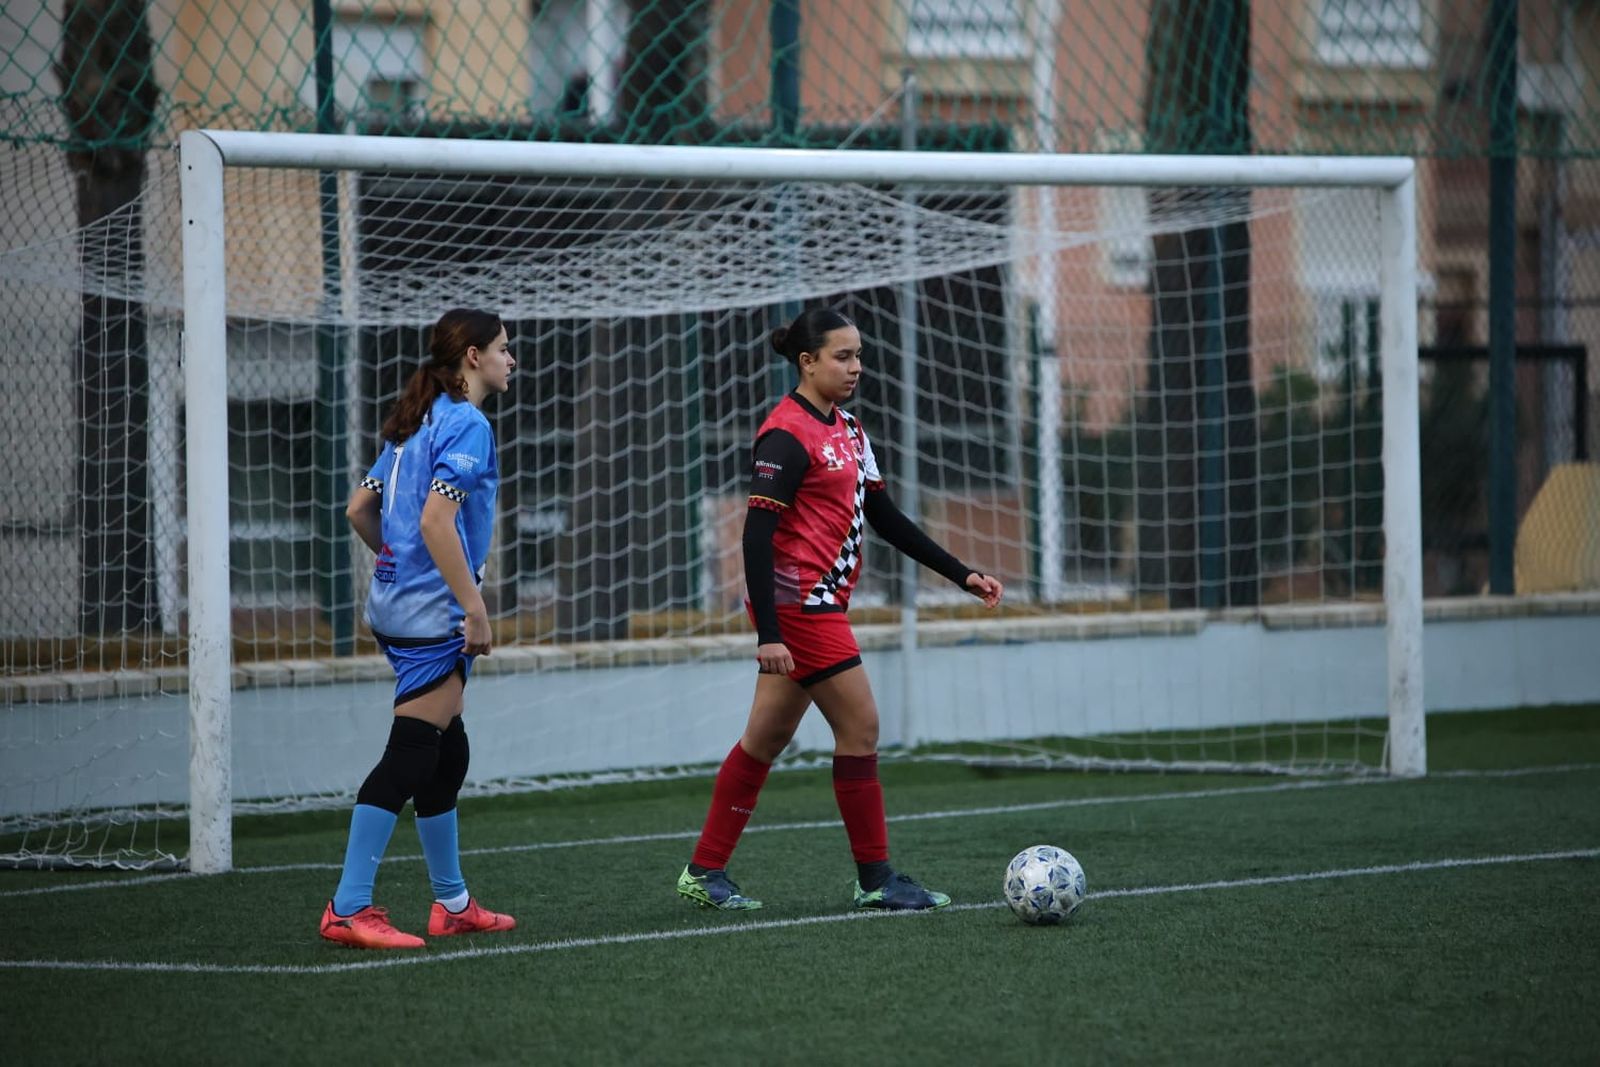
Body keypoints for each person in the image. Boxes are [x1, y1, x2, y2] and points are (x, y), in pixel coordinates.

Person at [676, 306, 1004, 913]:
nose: (855, 367)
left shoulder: (850, 430)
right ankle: (875, 879)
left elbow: (885, 517)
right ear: (807, 362)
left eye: (858, 356)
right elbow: (755, 537)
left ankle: (704, 871)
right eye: (842, 356)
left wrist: (962, 574)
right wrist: (769, 634)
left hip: (817, 604)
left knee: (765, 738)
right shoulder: (785, 434)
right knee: (861, 727)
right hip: (800, 606)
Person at [319, 307, 519, 950]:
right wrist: (473, 606)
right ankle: (348, 908)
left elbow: (359, 508)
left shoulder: (418, 418)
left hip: (392, 606)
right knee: (409, 756)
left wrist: (397, 567)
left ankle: (452, 903)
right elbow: (436, 521)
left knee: (446, 750)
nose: (511, 360)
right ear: (473, 358)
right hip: (434, 615)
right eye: (503, 348)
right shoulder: (467, 424)